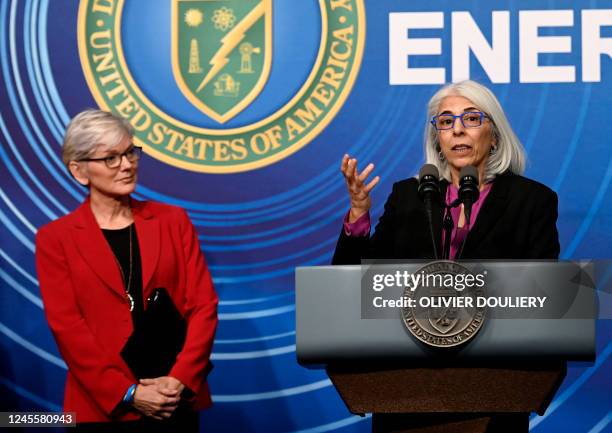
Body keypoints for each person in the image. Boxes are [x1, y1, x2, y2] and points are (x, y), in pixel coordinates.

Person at [35, 109, 218, 432]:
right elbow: (68, 328)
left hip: (173, 400)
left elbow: (203, 305)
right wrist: (129, 392)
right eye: (110, 158)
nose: (126, 164)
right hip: (102, 408)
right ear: (79, 171)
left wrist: (180, 379)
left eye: (130, 152)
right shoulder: (56, 239)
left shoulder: (172, 221)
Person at [332, 80, 560, 264]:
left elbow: (542, 294)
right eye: (447, 121)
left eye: (471, 119)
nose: (458, 130)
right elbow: (356, 285)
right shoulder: (409, 196)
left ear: (494, 137)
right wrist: (359, 211)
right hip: (410, 322)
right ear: (437, 140)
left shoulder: (532, 200)